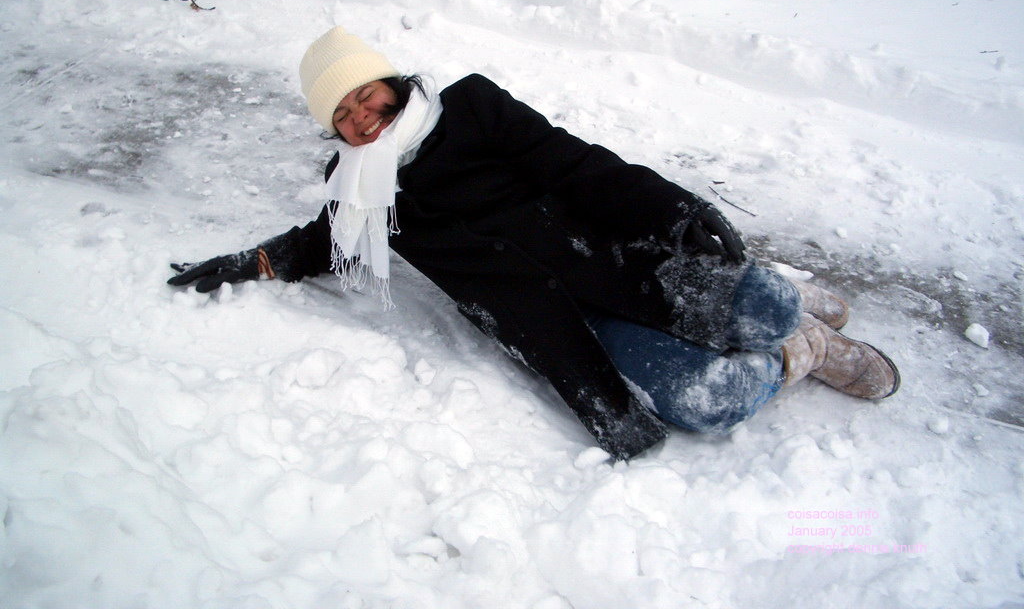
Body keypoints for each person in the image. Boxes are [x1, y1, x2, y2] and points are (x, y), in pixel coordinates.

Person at [168, 26, 900, 460]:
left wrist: (677, 209)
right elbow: (322, 243)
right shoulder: (359, 190)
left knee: (762, 301)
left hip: (621, 259)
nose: (364, 117)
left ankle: (791, 304)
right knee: (708, 401)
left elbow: (577, 164)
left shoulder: (474, 108)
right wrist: (256, 262)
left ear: (389, 82)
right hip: (568, 323)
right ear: (334, 128)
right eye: (344, 113)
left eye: (366, 94)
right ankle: (802, 351)